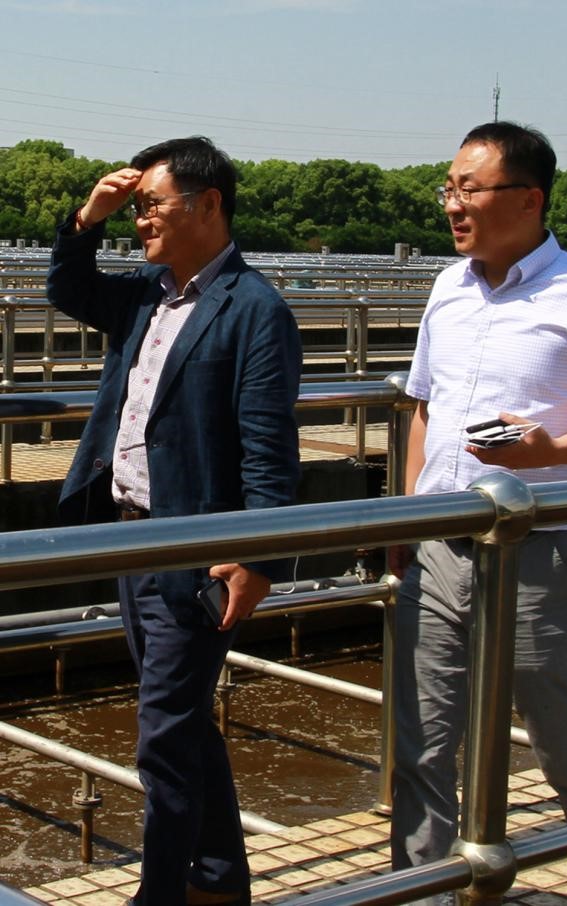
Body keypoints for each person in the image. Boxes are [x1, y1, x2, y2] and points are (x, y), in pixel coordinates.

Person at [390, 122, 567, 902]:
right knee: (423, 739)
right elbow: (424, 407)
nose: (452, 204)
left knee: (560, 733)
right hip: (440, 543)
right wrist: (407, 516)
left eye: (468, 189)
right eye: (448, 188)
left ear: (529, 199)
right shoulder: (447, 287)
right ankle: (423, 892)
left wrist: (548, 450)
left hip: (536, 547)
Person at [48, 136, 302, 906]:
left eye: (152, 206)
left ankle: (161, 895)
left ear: (208, 204)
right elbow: (68, 286)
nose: (142, 221)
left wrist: (258, 557)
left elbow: (267, 446)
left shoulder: (254, 310)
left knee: (163, 736)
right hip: (132, 536)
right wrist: (88, 217)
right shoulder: (145, 293)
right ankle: (218, 882)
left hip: (196, 549)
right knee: (183, 722)